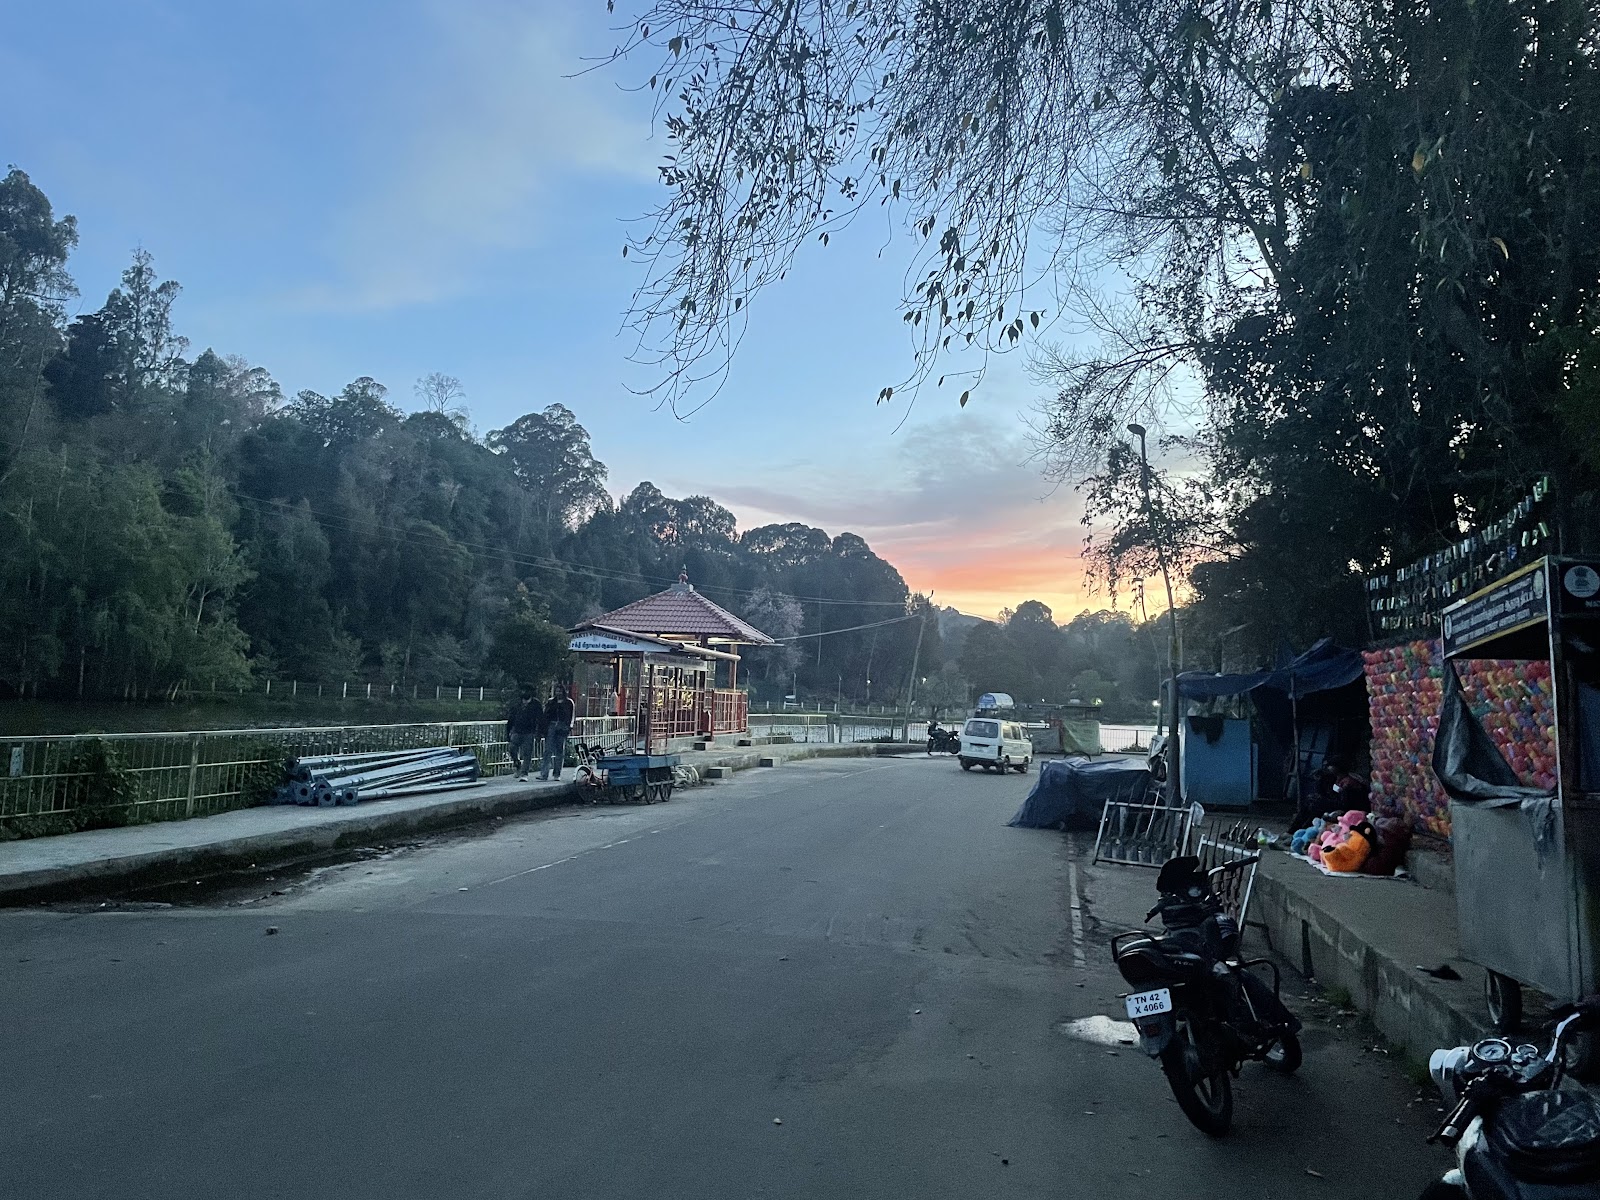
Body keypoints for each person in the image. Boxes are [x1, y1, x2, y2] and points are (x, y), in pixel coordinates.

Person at [505, 685, 543, 782]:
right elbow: (511, 718)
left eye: (526, 690)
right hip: (517, 730)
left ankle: (524, 773)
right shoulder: (517, 704)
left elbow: (540, 719)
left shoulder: (536, 704)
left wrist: (539, 733)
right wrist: (508, 732)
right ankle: (517, 764)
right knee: (512, 748)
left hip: (529, 732)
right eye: (523, 690)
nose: (524, 692)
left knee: (527, 753)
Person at [539, 683, 575, 781]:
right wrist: (543, 728)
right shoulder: (551, 702)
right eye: (557, 691)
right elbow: (546, 715)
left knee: (560, 751)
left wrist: (569, 727)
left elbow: (571, 716)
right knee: (548, 750)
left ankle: (557, 773)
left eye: (560, 690)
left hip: (562, 726)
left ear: (563, 692)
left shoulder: (569, 702)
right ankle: (544, 773)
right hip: (551, 725)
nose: (558, 693)